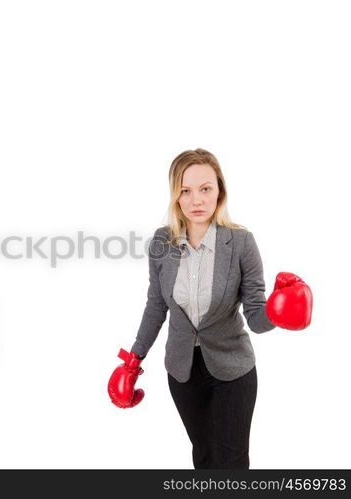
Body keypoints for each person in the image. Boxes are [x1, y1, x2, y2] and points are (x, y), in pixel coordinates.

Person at [107, 149, 312, 469]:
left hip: (233, 368)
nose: (196, 200)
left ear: (220, 191)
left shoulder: (241, 242)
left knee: (232, 461)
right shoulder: (162, 243)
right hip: (182, 369)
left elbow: (256, 316)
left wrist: (277, 312)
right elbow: (156, 305)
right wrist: (133, 359)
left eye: (205, 189)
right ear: (176, 196)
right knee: (203, 455)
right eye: (185, 191)